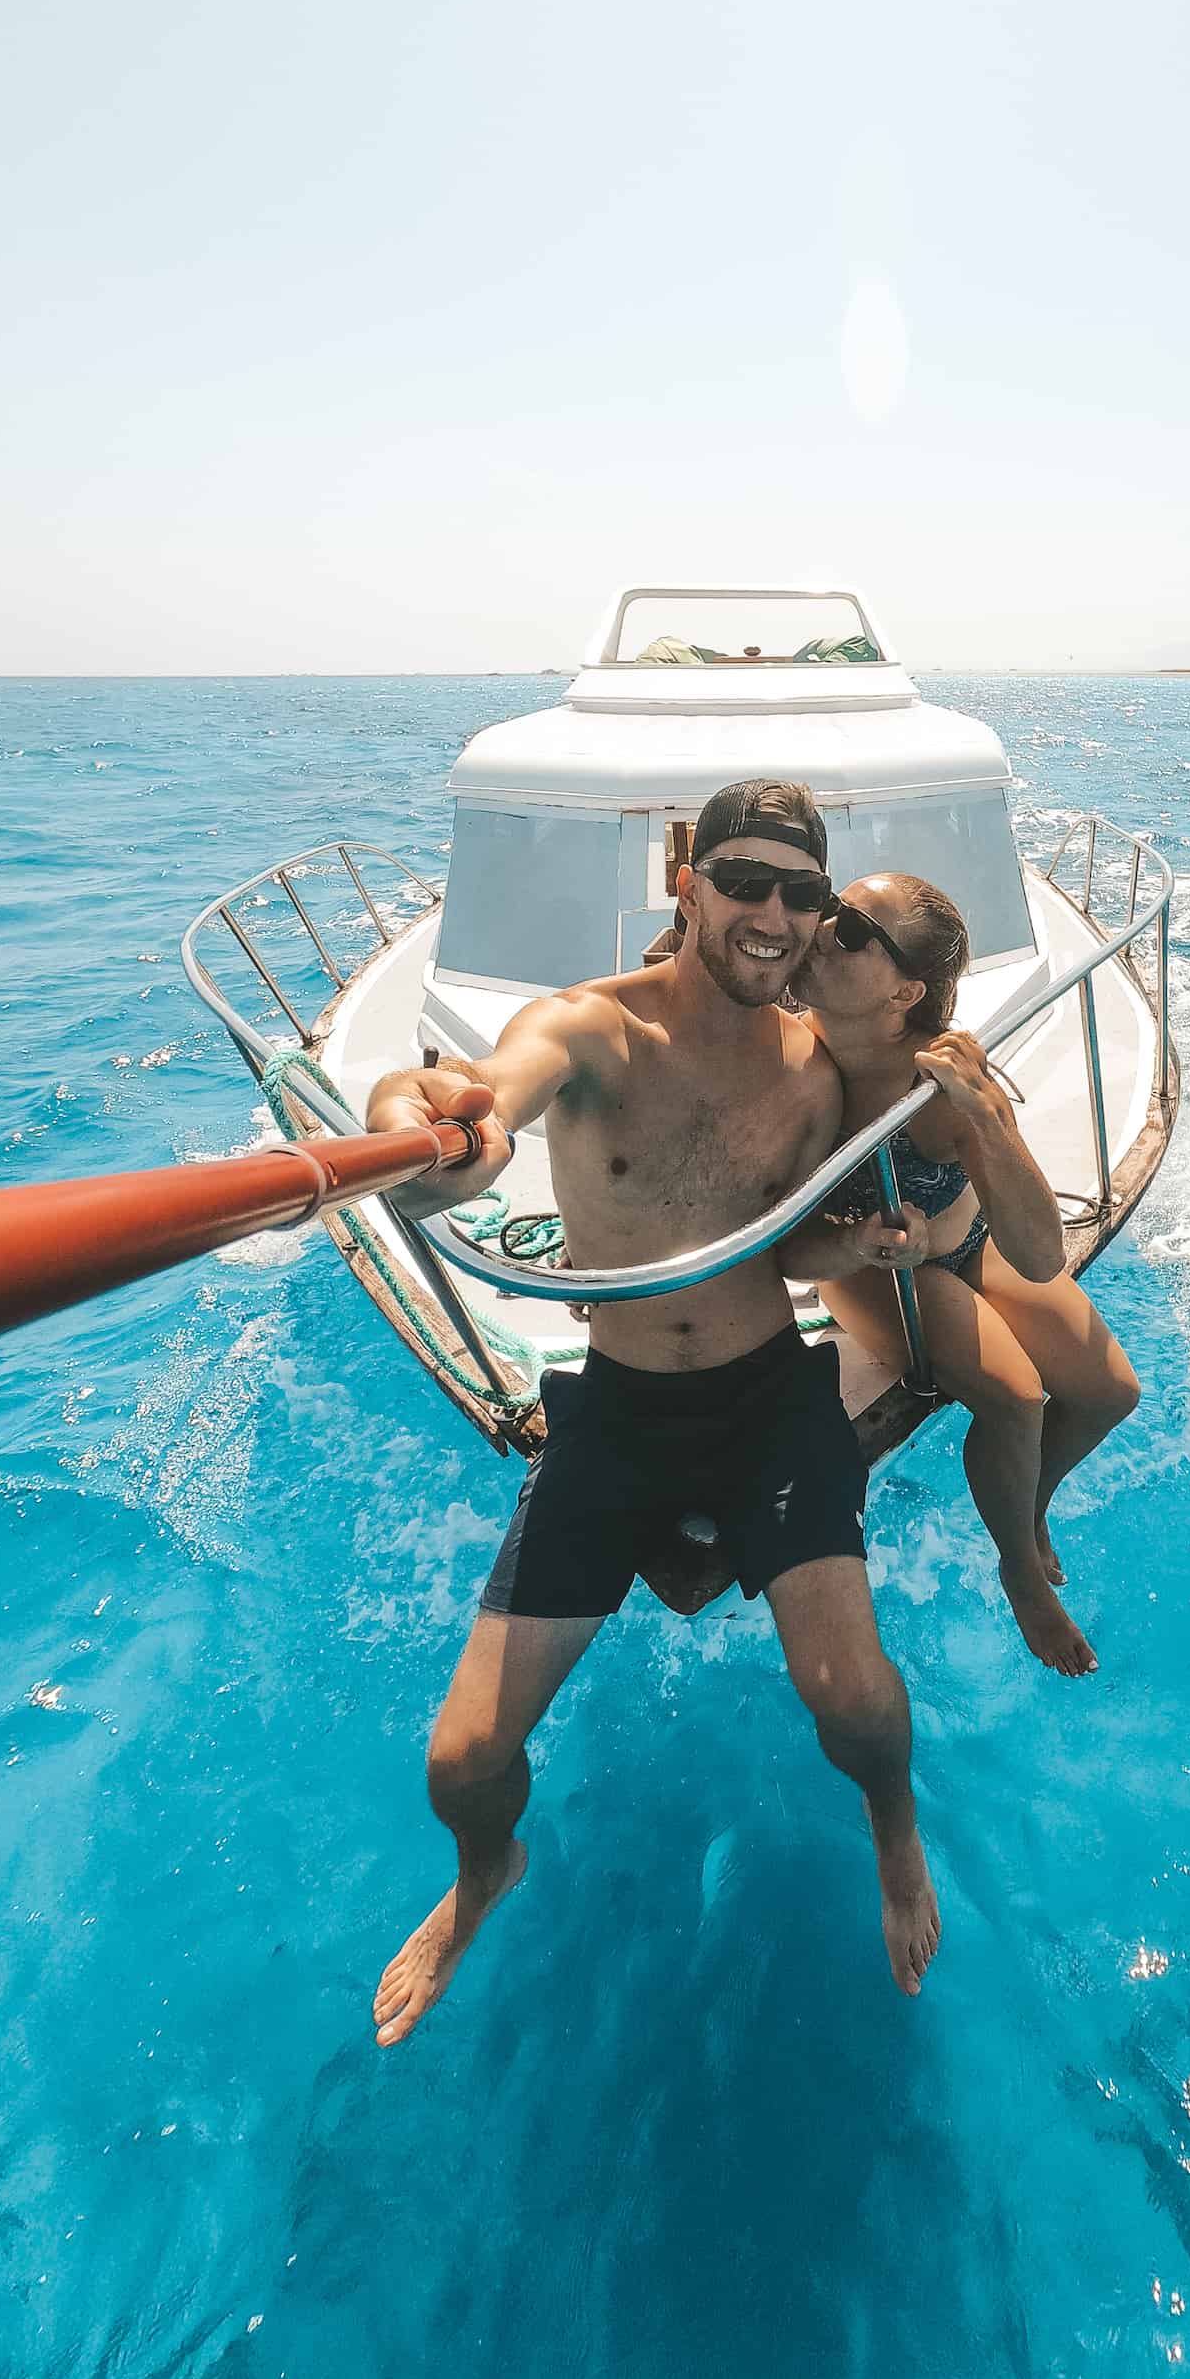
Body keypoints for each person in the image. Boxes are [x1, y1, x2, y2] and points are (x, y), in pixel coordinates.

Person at [364, 780, 942, 2044]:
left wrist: (876, 1238)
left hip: (763, 1394)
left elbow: (795, 1253)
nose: (773, 913)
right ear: (687, 880)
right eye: (744, 879)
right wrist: (427, 1127)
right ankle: (483, 1874)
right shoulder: (590, 1028)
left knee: (848, 1695)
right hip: (619, 1409)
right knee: (460, 1765)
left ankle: (893, 1833)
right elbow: (488, 1104)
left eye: (804, 893)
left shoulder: (812, 1070)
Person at [791, 875, 1142, 1678]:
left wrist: (987, 1116)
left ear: (906, 990)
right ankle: (1018, 1566)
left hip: (968, 1239)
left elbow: (1041, 1255)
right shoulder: (786, 1054)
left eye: (850, 929)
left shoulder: (940, 1082)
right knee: (1017, 1399)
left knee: (1111, 1392)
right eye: (831, 907)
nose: (822, 929)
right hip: (869, 1266)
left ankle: (1027, 1512)